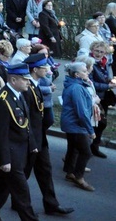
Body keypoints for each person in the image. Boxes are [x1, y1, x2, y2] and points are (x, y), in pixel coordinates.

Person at [22, 53, 74, 215]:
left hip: (40, 138)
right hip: (30, 140)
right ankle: (10, 205)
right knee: (20, 175)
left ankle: (51, 204)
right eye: (44, 67)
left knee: (45, 170)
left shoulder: (35, 85)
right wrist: (31, 141)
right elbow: (26, 118)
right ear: (35, 69)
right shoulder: (27, 88)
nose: (48, 69)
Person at [0, 63, 37, 220]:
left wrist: (33, 145)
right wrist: (4, 159)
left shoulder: (19, 94)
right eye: (25, 79)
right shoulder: (3, 100)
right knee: (22, 192)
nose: (28, 82)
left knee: (0, 190)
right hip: (10, 154)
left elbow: (26, 122)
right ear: (14, 79)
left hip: (20, 151)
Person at [60, 61, 96, 191]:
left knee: (73, 148)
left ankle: (70, 172)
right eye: (84, 71)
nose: (87, 73)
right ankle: (78, 177)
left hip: (70, 123)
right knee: (86, 152)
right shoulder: (77, 88)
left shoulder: (74, 84)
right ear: (76, 74)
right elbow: (81, 112)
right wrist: (90, 130)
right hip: (75, 124)